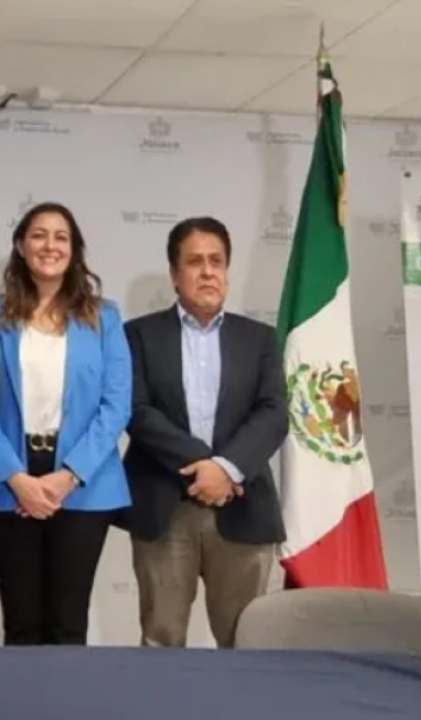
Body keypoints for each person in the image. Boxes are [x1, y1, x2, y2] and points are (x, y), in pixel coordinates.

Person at [122, 216, 287, 648]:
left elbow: (273, 413)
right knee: (161, 641)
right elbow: (135, 410)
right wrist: (203, 466)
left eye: (217, 261)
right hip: (165, 506)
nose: (208, 271)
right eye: (195, 262)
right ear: (175, 275)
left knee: (244, 645)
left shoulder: (260, 339)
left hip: (242, 505)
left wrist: (226, 469)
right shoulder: (138, 335)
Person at [0, 201, 133, 645]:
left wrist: (69, 476)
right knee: (21, 623)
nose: (50, 245)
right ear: (20, 245)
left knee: (68, 622)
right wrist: (16, 478)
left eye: (61, 237)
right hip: (12, 482)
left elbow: (116, 405)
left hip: (84, 483)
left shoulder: (104, 317)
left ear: (74, 249)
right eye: (39, 235)